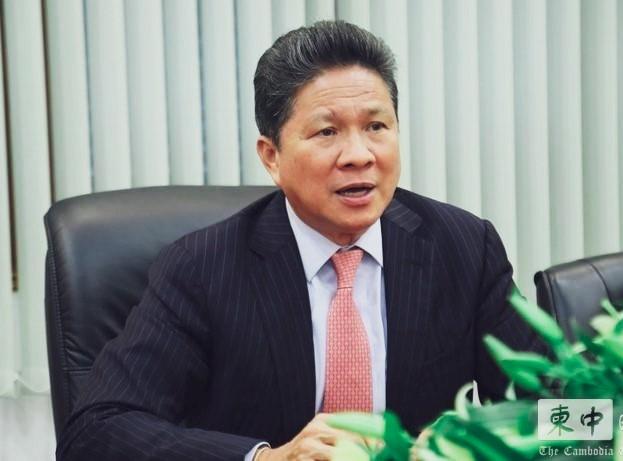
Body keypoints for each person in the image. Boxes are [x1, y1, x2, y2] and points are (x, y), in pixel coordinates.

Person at [57, 20, 541, 461]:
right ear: (272, 156)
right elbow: (93, 434)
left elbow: (572, 419)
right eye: (327, 131)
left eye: (376, 126)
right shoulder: (202, 268)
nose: (359, 155)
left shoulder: (462, 248)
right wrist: (265, 460)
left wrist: (476, 442)